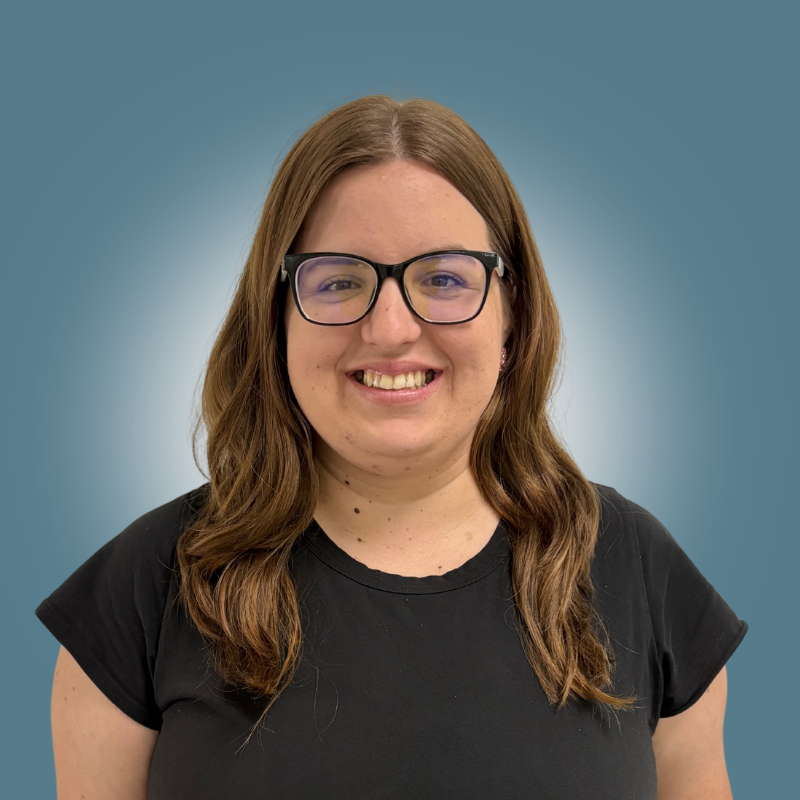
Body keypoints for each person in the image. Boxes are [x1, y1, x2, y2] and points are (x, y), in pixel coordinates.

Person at [36, 95, 747, 799]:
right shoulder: (143, 590)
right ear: (276, 313)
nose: (390, 328)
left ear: (512, 315)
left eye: (442, 278)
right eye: (341, 280)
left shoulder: (641, 574)